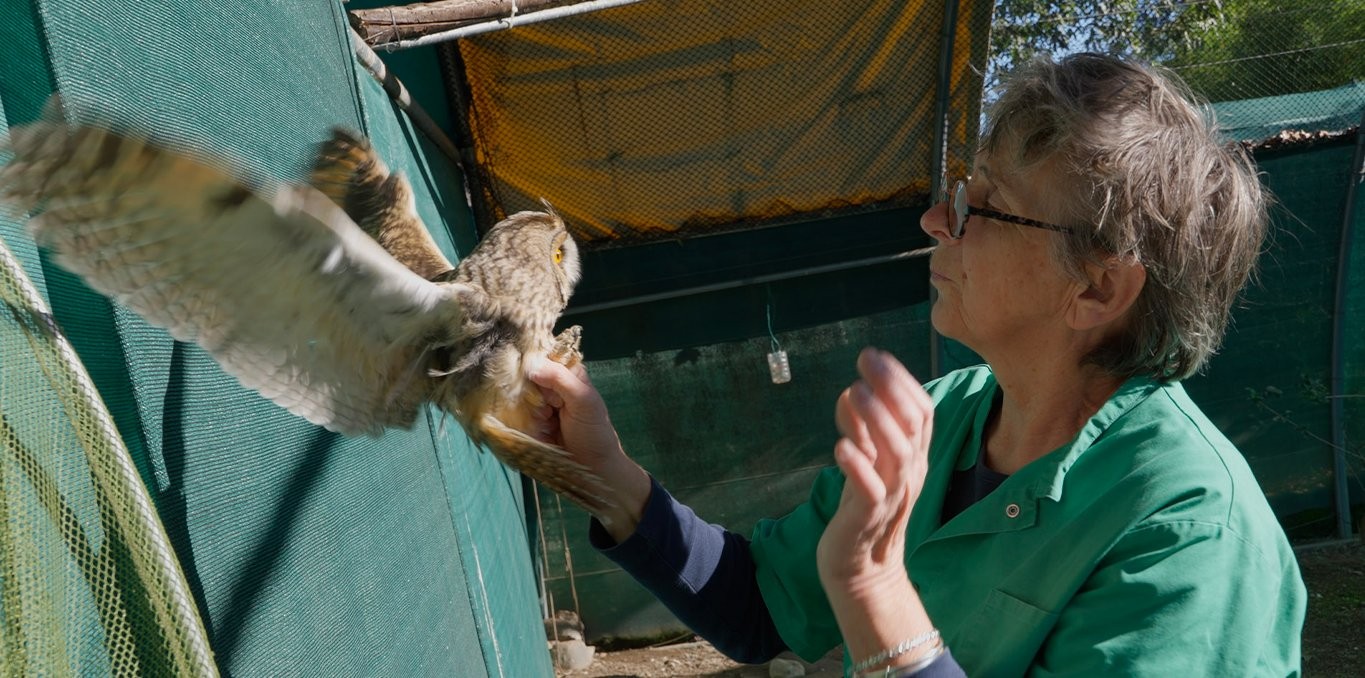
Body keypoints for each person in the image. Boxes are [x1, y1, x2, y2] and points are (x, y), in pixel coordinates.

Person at [528, 52, 1306, 677]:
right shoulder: (943, 418)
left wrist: (874, 592)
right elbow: (762, 609)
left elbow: (856, 595)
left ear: (1096, 287)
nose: (936, 219)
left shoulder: (1189, 530)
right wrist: (605, 471)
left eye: (984, 204)